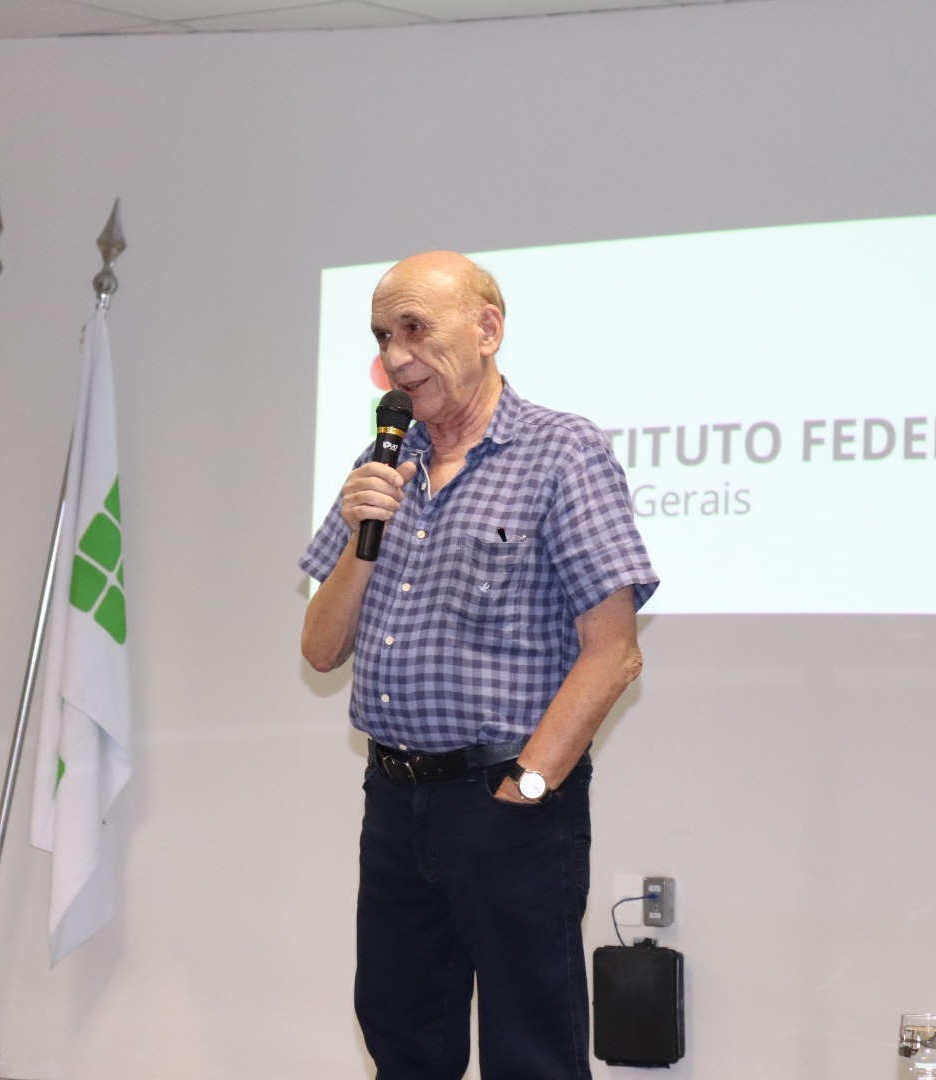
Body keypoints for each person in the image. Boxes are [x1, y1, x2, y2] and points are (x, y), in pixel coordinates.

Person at [299, 250, 659, 1079]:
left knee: (529, 1052)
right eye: (382, 336)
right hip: (395, 802)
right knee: (402, 1043)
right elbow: (319, 649)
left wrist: (527, 789)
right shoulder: (381, 465)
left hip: (506, 800)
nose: (395, 357)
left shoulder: (559, 453)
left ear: (486, 329)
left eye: (414, 329)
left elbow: (614, 653)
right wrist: (361, 534)